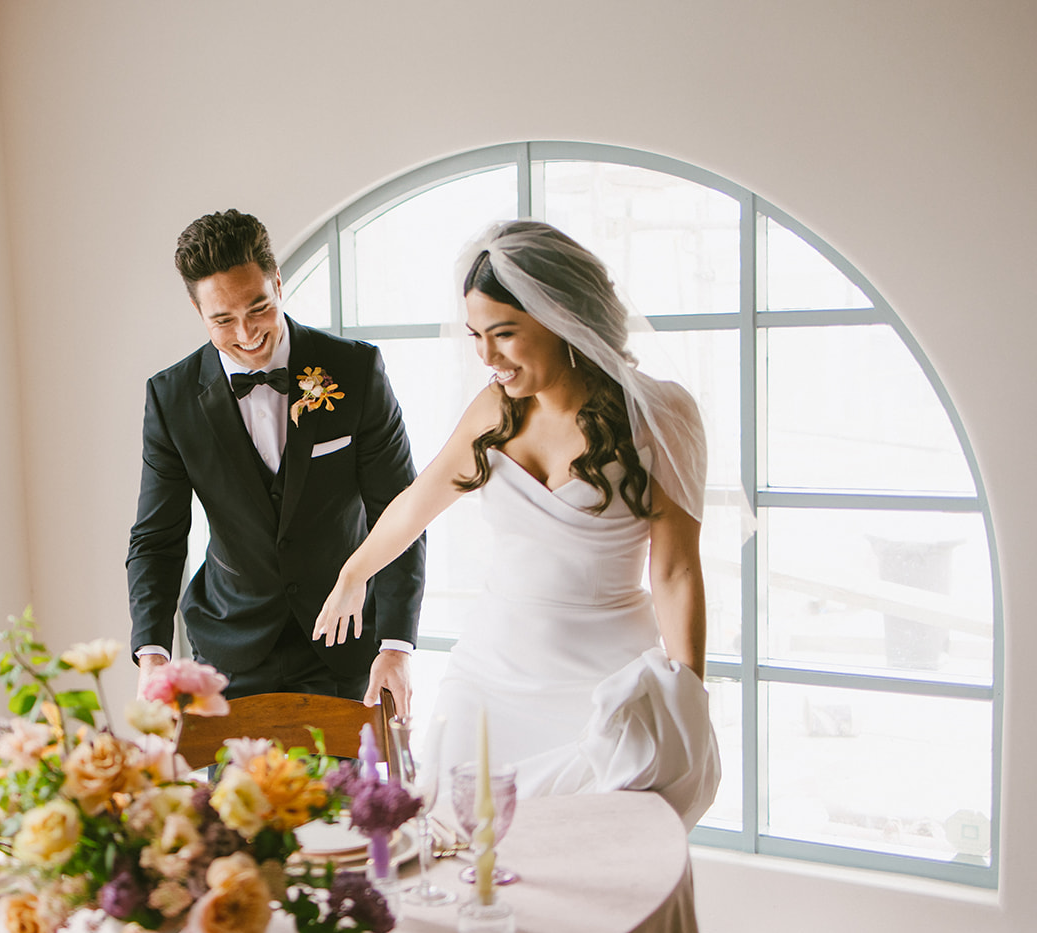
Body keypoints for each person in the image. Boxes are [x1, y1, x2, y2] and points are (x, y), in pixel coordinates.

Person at [312, 220, 719, 828]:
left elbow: (677, 568)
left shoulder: (661, 414)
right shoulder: (492, 409)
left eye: (504, 334)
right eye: (476, 335)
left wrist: (687, 691)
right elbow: (417, 503)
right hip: (489, 673)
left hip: (602, 682)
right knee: (457, 845)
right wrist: (353, 574)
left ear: (561, 318)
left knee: (590, 857)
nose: (487, 356)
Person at [127, 209, 425, 711]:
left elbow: (400, 511)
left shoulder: (354, 370)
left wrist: (396, 644)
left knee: (341, 792)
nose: (246, 334)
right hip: (229, 648)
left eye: (257, 307)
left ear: (278, 284)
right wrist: (153, 654)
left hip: (341, 640)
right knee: (231, 792)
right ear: (198, 313)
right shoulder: (170, 398)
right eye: (222, 319)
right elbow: (157, 538)